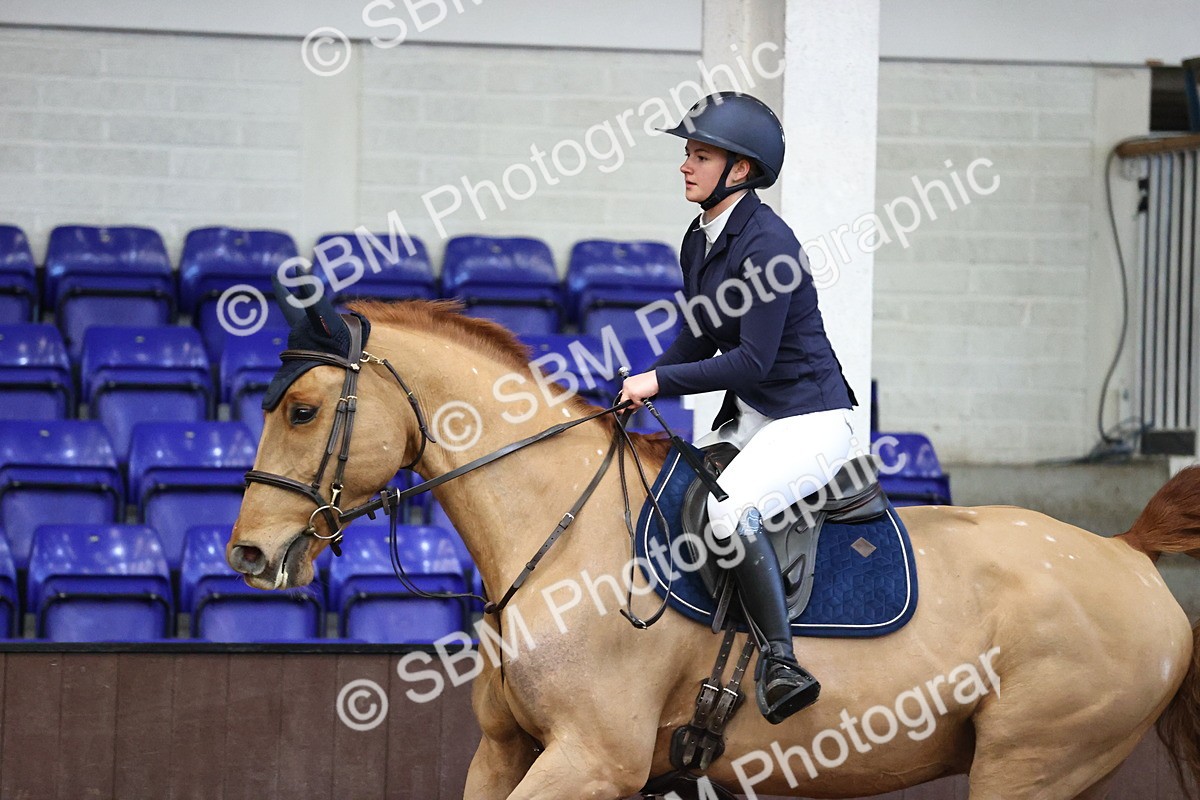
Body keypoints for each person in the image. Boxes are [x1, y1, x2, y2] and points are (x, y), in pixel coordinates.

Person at [619, 92, 857, 724]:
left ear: (741, 170)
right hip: (758, 412)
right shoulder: (700, 240)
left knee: (728, 515)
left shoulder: (768, 245)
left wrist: (659, 384)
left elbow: (751, 361)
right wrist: (645, 381)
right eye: (687, 154)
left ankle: (782, 663)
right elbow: (699, 336)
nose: (685, 166)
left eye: (699, 155)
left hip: (809, 418)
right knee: (674, 492)